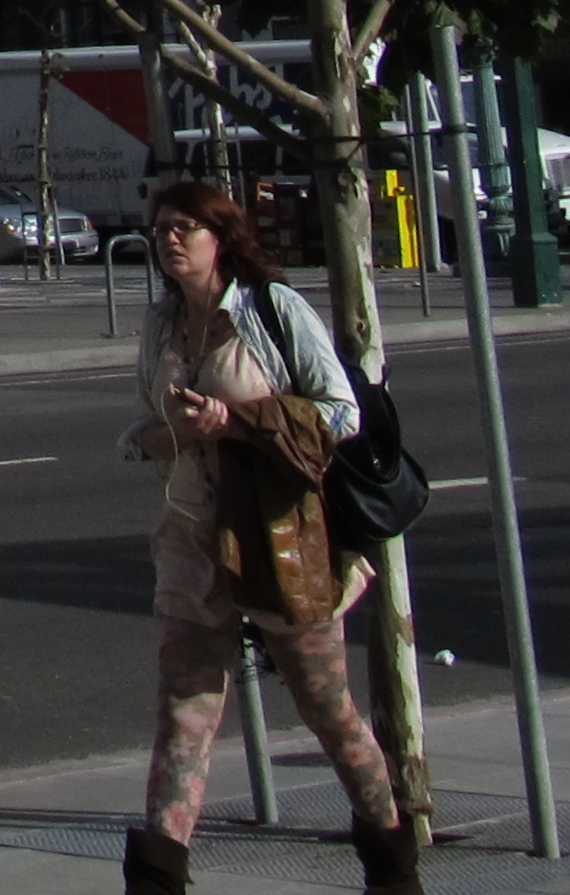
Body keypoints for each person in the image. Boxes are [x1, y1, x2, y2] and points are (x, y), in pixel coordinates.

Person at [120, 176, 422, 892]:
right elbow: (145, 428)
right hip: (192, 539)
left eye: (184, 228)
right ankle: (160, 876)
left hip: (281, 535)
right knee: (183, 716)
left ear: (220, 238)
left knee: (328, 711)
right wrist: (164, 436)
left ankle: (391, 861)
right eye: (161, 227)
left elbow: (341, 413)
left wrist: (234, 422)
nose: (169, 240)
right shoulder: (161, 326)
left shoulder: (271, 310)